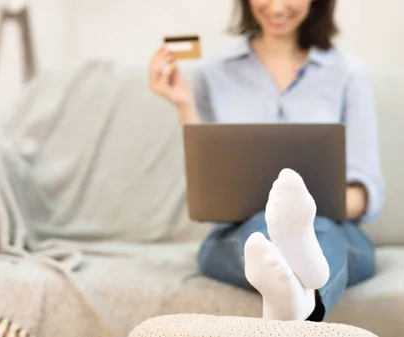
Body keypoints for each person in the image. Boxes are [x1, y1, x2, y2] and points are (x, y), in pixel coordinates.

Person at [149, 0, 385, 322]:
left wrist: (308, 215)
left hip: (333, 228)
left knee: (316, 233)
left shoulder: (348, 73)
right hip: (243, 229)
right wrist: (183, 105)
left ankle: (296, 297)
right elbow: (210, 178)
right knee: (261, 235)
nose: (277, 7)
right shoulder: (212, 74)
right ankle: (307, 307)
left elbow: (365, 185)